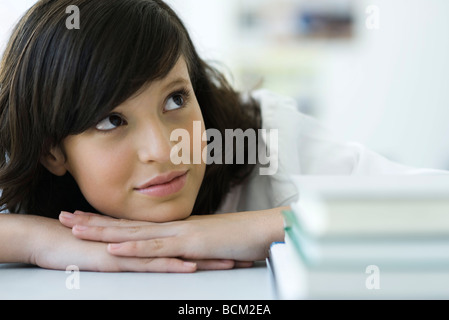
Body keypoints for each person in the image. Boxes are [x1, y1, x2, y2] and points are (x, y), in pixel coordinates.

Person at [0, 0, 446, 273]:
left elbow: (437, 206)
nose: (164, 149)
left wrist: (266, 227)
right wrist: (38, 241)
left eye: (175, 100)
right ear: (52, 152)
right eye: (112, 121)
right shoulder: (19, 168)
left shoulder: (265, 137)